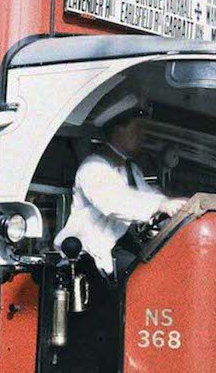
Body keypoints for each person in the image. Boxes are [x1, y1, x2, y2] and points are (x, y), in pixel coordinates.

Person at [54, 100, 186, 277]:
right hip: (91, 263)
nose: (143, 135)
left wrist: (171, 203)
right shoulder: (93, 168)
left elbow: (147, 195)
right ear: (118, 129)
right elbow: (114, 202)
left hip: (121, 253)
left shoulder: (132, 170)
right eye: (137, 129)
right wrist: (159, 206)